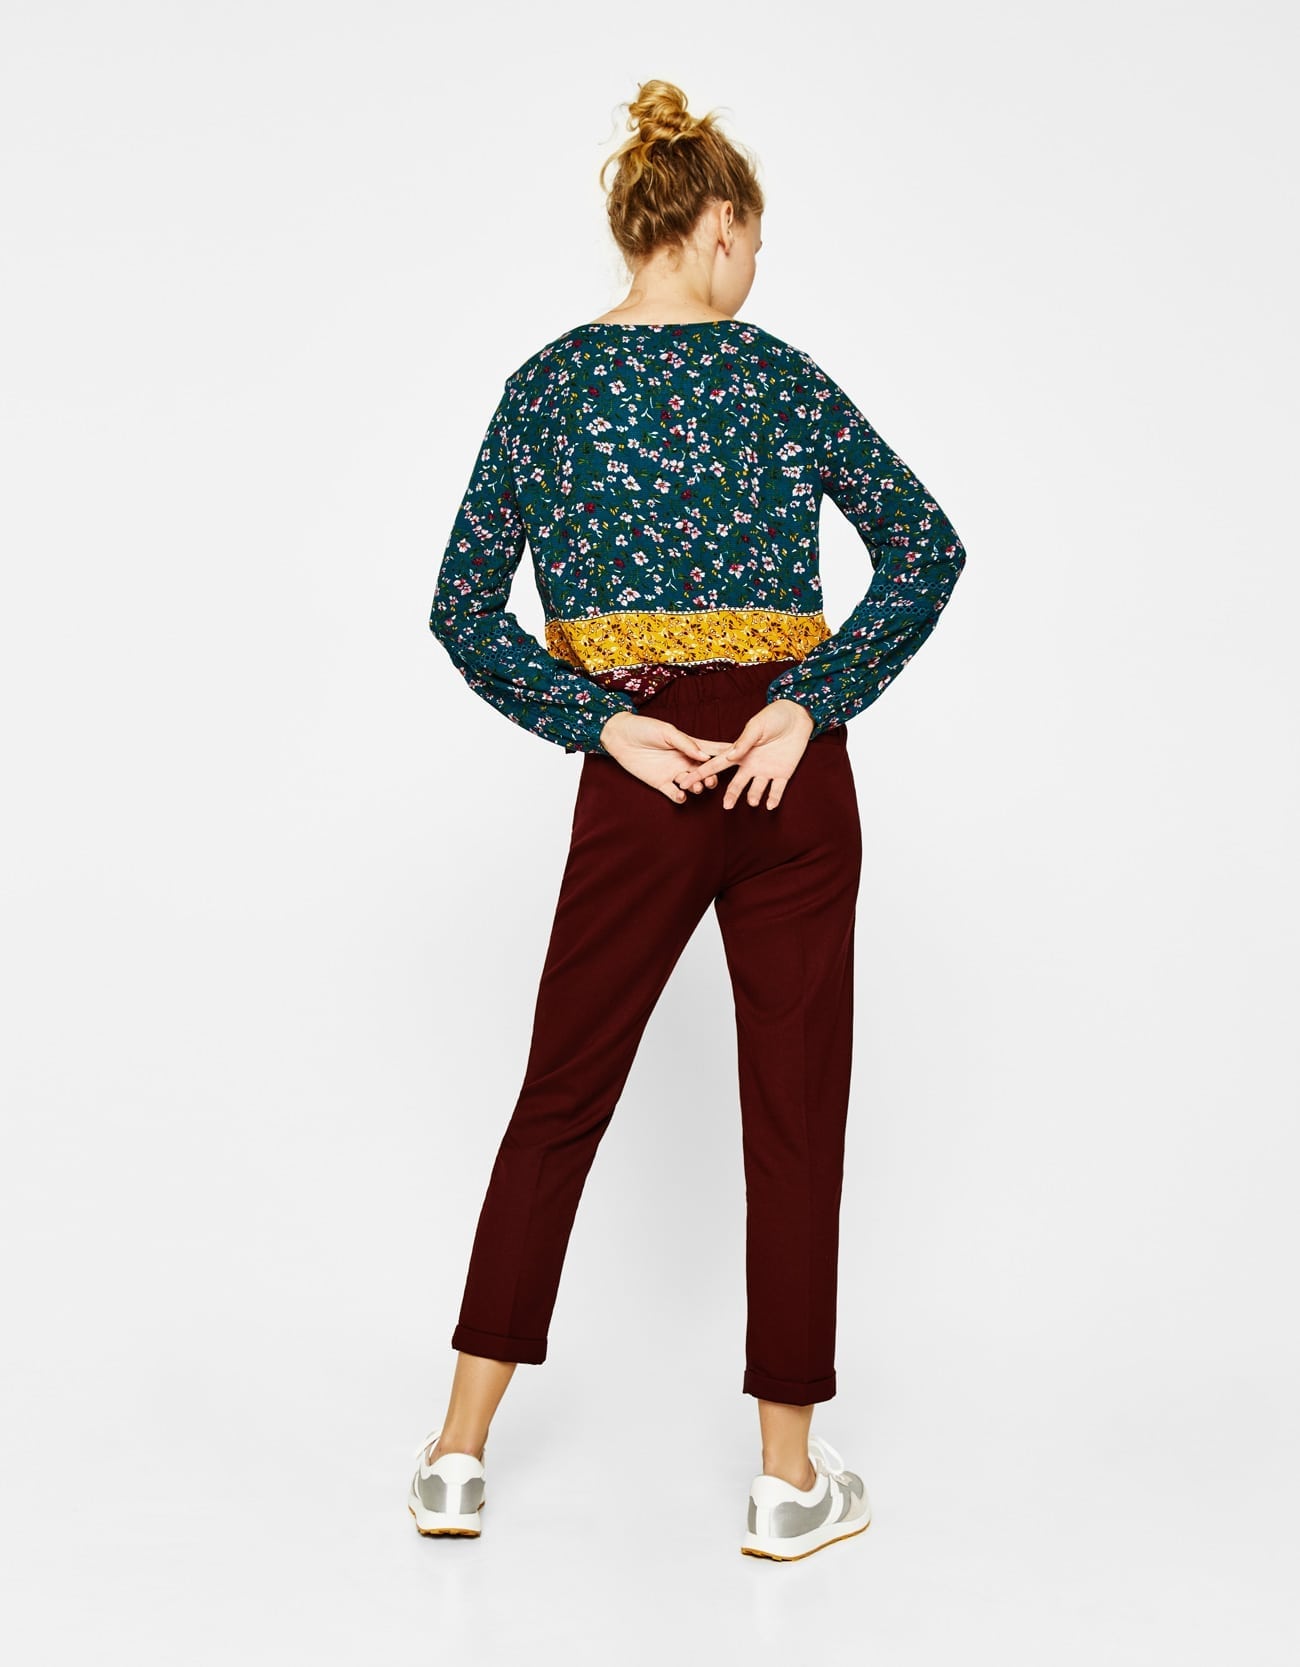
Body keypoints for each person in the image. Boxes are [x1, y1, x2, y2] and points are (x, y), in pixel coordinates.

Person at [408, 77, 967, 1562]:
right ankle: (787, 1483)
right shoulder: (777, 376)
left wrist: (598, 720)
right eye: (756, 240)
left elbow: (461, 609)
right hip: (788, 775)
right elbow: (927, 544)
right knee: (796, 1113)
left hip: (641, 774)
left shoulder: (544, 389)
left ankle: (456, 1457)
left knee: (560, 1094)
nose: (758, 267)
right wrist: (812, 698)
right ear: (716, 225)